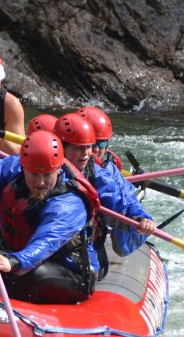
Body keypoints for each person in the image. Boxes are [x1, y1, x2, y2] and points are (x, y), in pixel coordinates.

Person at [0, 131, 100, 304]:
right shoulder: (15, 167)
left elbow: (45, 243)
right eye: (35, 174)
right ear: (23, 167)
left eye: (47, 175)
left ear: (58, 169)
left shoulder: (68, 203)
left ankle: (8, 312)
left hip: (69, 270)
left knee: (29, 276)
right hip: (18, 250)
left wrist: (14, 262)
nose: (41, 182)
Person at [53, 112, 155, 278]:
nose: (89, 152)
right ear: (61, 146)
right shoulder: (37, 165)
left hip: (77, 247)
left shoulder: (96, 172)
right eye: (80, 147)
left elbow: (123, 201)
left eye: (92, 145)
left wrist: (140, 217)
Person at [76, 106, 123, 170]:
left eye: (101, 143)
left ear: (106, 146)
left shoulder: (110, 165)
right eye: (91, 144)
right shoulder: (62, 172)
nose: (96, 149)